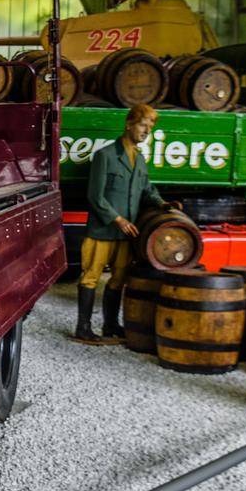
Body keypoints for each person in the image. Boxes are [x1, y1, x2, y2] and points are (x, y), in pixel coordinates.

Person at [76, 102, 165, 344]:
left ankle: (110, 325)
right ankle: (82, 327)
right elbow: (95, 196)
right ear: (128, 124)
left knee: (118, 279)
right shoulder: (104, 156)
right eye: (143, 125)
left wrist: (162, 204)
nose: (146, 131)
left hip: (126, 234)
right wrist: (118, 219)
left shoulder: (140, 159)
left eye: (150, 128)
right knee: (90, 277)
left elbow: (147, 189)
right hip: (102, 230)